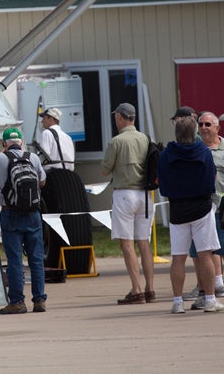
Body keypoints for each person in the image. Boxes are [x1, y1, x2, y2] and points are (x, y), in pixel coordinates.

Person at [157, 115, 224, 314]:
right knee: (206, 255)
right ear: (194, 131)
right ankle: (210, 299)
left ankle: (177, 302)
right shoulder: (203, 152)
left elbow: (161, 181)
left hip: (177, 208)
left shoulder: (167, 154)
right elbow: (211, 178)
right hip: (202, 207)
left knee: (178, 257)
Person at [0, 127, 47, 314]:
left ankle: (17, 302)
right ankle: (40, 300)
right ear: (21, 142)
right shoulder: (32, 157)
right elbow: (42, 181)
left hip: (10, 214)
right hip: (33, 214)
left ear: (4, 144)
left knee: (15, 259)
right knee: (36, 258)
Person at [186, 111, 224, 309]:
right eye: (200, 124)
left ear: (217, 128)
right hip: (200, 210)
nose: (203, 128)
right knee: (201, 255)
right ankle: (204, 293)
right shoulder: (192, 148)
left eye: (208, 125)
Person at [99, 103, 156, 304]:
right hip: (144, 196)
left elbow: (105, 170)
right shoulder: (145, 138)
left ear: (122, 118)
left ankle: (137, 289)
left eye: (116, 117)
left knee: (127, 244)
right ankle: (150, 289)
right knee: (144, 243)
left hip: (124, 194)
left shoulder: (116, 142)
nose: (116, 120)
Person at [36, 107, 75, 172]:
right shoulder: (68, 137)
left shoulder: (47, 133)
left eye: (44, 118)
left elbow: (43, 157)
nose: (42, 121)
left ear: (51, 119)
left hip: (54, 175)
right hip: (69, 175)